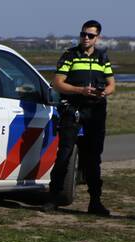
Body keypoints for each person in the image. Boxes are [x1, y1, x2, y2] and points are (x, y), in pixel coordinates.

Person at [43, 20, 115, 216]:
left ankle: (95, 202)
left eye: (90, 35)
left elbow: (112, 84)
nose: (85, 38)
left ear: (97, 38)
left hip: (95, 114)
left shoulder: (102, 58)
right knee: (64, 155)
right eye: (83, 34)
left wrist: (103, 92)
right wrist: (80, 90)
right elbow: (58, 83)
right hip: (72, 111)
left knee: (93, 159)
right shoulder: (70, 55)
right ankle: (53, 197)